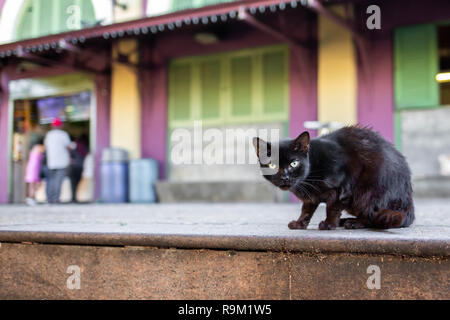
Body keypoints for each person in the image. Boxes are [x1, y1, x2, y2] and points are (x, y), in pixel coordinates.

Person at [44, 117, 72, 204]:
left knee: (51, 180)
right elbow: (68, 147)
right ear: (60, 126)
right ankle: (56, 199)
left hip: (51, 161)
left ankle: (49, 198)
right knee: (58, 181)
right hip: (61, 162)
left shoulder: (48, 135)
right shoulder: (63, 134)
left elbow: (45, 147)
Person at [68, 134, 88, 203]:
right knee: (76, 183)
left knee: (73, 183)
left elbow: (70, 153)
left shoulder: (73, 145)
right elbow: (85, 155)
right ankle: (74, 198)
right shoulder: (83, 147)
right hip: (80, 166)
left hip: (73, 166)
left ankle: (73, 198)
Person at [24, 138, 45, 206]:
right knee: (35, 184)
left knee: (32, 184)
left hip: (32, 166)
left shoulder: (34, 148)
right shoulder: (39, 147)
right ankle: (31, 198)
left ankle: (31, 198)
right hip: (35, 167)